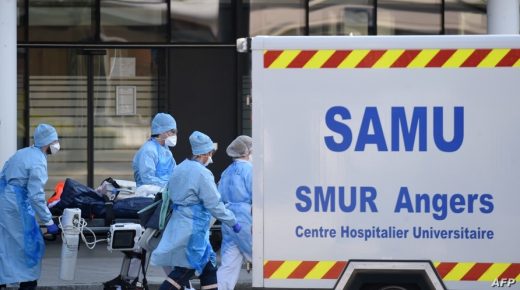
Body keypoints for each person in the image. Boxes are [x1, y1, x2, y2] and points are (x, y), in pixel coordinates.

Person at [151, 131, 242, 290]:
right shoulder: (202, 173)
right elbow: (214, 204)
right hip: (194, 230)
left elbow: (170, 193)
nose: (211, 157)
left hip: (180, 225)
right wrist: (232, 221)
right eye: (211, 153)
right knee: (184, 271)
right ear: (205, 153)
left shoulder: (180, 168)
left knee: (208, 270)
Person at [0, 124, 61, 290]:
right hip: (16, 206)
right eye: (55, 141)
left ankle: (3, 281)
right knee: (30, 245)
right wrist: (49, 222)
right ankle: (28, 283)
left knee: (5, 245)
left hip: (4, 201)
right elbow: (36, 196)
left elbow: (3, 174)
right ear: (48, 142)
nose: (57, 145)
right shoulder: (38, 161)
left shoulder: (22, 153)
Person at [216, 136, 253, 290]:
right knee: (259, 258)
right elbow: (258, 195)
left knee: (228, 265)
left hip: (229, 221)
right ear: (247, 152)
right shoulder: (250, 170)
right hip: (246, 221)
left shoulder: (226, 172)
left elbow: (218, 196)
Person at [133, 112, 177, 188]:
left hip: (164, 192)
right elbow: (147, 179)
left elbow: (174, 172)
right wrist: (168, 186)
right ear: (161, 131)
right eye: (172, 131)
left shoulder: (166, 150)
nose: (175, 135)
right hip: (149, 195)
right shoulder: (149, 150)